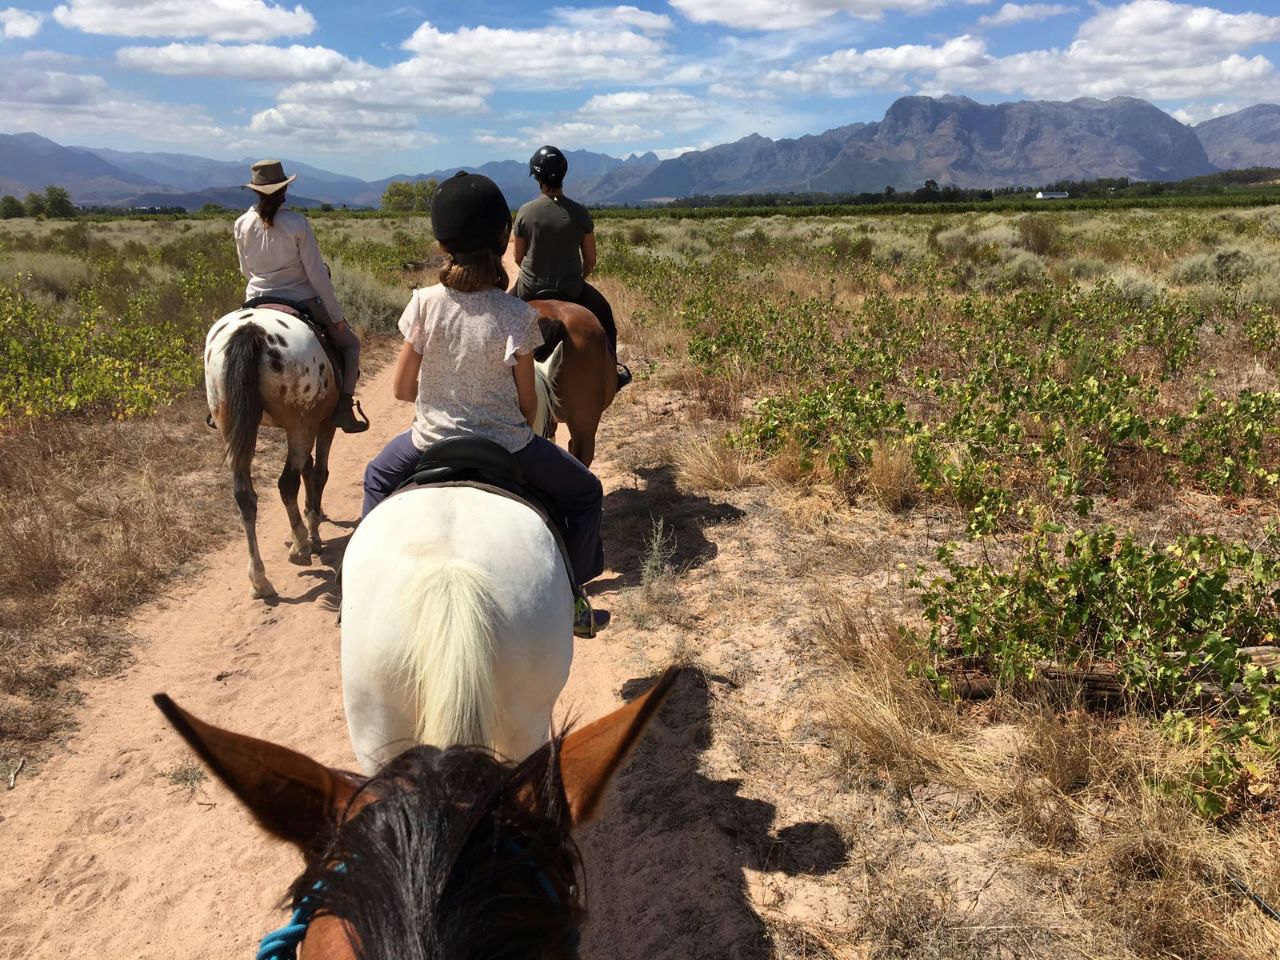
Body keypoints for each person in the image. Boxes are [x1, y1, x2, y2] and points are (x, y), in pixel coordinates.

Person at [361, 171, 607, 637]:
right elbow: (527, 400)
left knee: (375, 477)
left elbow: (400, 390)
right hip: (508, 444)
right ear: (501, 239)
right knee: (586, 493)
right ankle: (574, 595)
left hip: (429, 440)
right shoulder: (516, 314)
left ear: (441, 243)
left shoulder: (424, 303)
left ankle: (358, 590)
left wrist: (441, 399)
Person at [234, 159, 367, 433]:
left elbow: (245, 271)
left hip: (254, 300)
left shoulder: (242, 224)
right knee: (351, 345)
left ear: (256, 191)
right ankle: (343, 406)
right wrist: (336, 317)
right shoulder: (296, 223)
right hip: (299, 299)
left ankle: (222, 405)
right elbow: (317, 275)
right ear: (285, 189)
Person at [512, 145, 630, 389]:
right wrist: (578, 278)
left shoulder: (525, 212)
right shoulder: (579, 213)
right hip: (571, 290)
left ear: (537, 178)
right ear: (563, 175)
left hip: (530, 289)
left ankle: (493, 373)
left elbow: (517, 258)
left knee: (497, 318)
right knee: (605, 316)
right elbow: (591, 260)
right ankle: (613, 372)